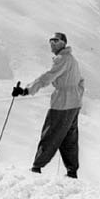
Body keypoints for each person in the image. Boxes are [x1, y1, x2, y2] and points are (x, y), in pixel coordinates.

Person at [12, 30, 84, 176]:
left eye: (56, 41)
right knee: (69, 138)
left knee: (51, 133)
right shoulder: (71, 59)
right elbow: (81, 80)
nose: (52, 43)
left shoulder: (62, 59)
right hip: (74, 103)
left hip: (62, 103)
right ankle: (72, 171)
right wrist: (78, 94)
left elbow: (47, 77)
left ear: (63, 43)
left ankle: (37, 167)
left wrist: (27, 90)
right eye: (51, 41)